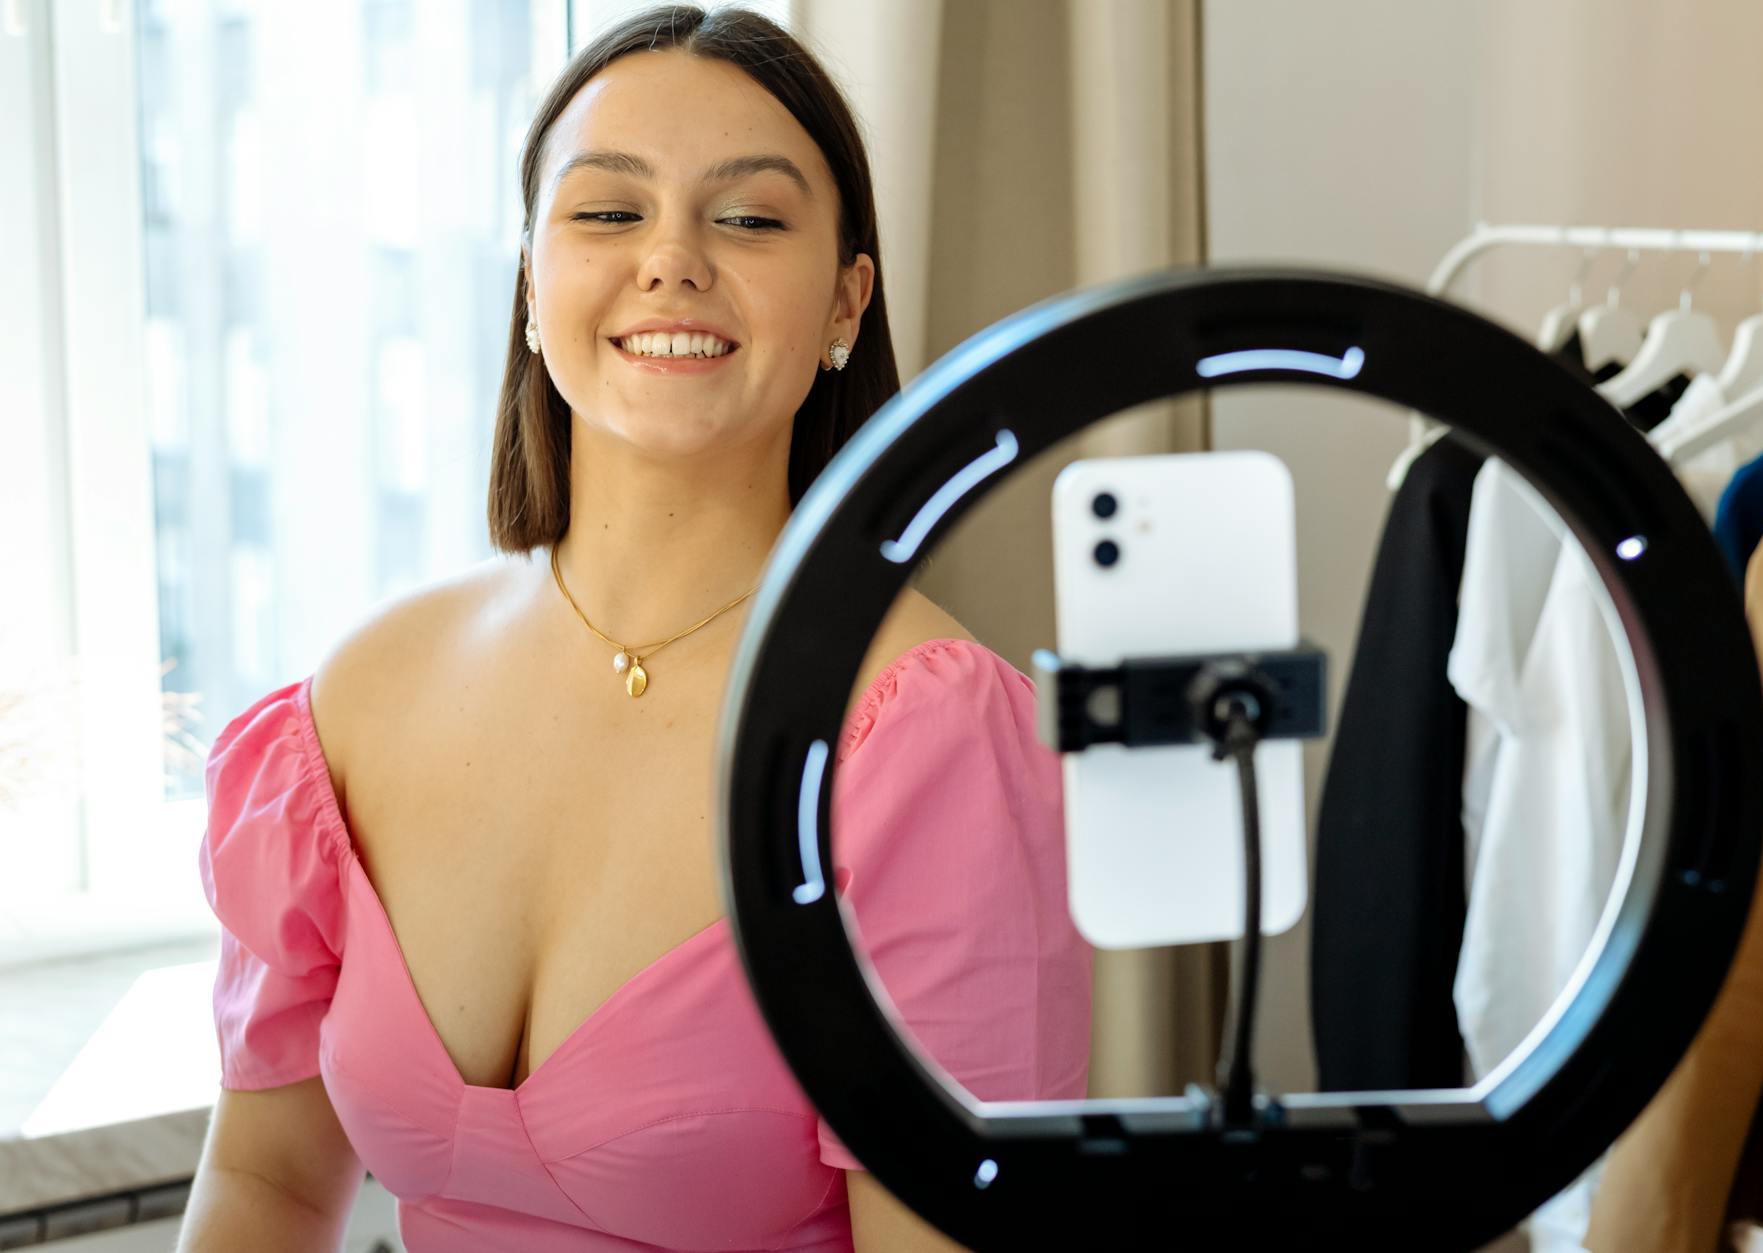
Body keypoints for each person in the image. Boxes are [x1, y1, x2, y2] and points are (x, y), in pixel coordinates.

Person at [177, 6, 1094, 1250]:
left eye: (751, 218)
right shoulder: (365, 692)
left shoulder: (922, 733)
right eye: (607, 211)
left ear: (844, 302)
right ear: (530, 278)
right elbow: (265, 1188)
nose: (670, 257)